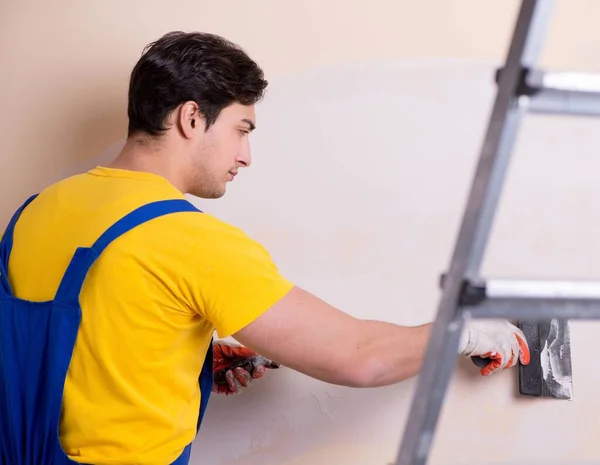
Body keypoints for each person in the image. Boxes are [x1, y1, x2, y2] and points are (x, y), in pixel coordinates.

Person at [0, 31, 530, 465]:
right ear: (191, 118)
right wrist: (465, 331)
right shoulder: (190, 241)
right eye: (242, 128)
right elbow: (358, 357)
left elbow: (72, 338)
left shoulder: (34, 212)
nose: (246, 155)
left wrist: (185, 357)